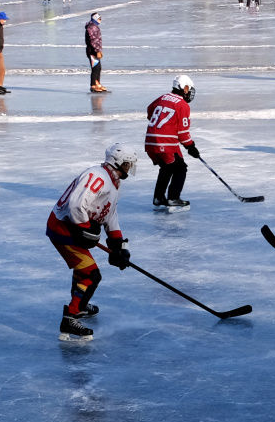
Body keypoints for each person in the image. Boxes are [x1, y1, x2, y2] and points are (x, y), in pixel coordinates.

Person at [47, 142, 137, 341]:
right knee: (91, 275)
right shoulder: (98, 176)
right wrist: (84, 229)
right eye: (128, 164)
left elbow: (109, 215)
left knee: (85, 270)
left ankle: (81, 303)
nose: (129, 168)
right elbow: (76, 205)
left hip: (71, 228)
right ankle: (70, 317)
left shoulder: (113, 182)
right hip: (62, 229)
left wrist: (118, 244)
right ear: (118, 162)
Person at [145, 75, 199, 212]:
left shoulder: (162, 97)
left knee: (167, 167)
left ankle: (158, 197)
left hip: (150, 141)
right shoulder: (182, 105)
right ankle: (173, 198)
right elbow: (183, 133)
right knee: (180, 168)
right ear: (185, 88)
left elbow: (149, 109)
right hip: (165, 143)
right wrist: (191, 147)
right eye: (189, 89)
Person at [85, 12, 108, 92]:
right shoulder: (91, 27)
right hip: (92, 51)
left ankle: (97, 83)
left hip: (96, 50)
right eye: (99, 18)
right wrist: (97, 51)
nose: (100, 20)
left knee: (98, 68)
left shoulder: (95, 26)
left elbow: (97, 40)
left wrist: (99, 50)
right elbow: (93, 40)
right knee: (95, 68)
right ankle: (93, 85)